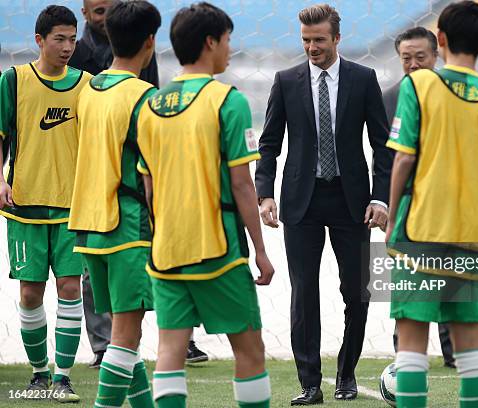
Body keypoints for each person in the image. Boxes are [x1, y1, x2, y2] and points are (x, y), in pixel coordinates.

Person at [136, 3, 274, 407]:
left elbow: (148, 187)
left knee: (169, 352)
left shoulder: (151, 106)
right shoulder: (227, 101)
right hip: (219, 251)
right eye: (228, 40)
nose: (230, 49)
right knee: (250, 352)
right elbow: (242, 184)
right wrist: (261, 251)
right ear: (210, 42)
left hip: (167, 252)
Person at [256, 3, 392, 404]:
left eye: (318, 40)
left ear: (337, 38)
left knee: (357, 291)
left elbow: (382, 145)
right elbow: (269, 143)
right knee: (304, 292)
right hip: (301, 201)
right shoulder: (285, 80)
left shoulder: (364, 79)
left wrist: (380, 198)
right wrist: (265, 193)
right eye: (305, 40)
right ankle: (310, 384)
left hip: (353, 202)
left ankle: (346, 375)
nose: (311, 47)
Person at [385, 1, 478, 407]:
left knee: (412, 340)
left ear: (439, 40)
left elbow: (403, 158)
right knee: (469, 343)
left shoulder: (418, 86)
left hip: (419, 231)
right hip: (470, 237)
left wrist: (390, 223)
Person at [68, 1, 160, 407]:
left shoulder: (89, 88)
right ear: (150, 42)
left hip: (89, 224)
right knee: (126, 336)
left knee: (126, 335)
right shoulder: (144, 96)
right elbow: (151, 174)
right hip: (128, 227)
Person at [0, 5, 92, 402]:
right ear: (39, 40)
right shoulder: (13, 80)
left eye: (73, 38)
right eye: (60, 38)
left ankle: (64, 377)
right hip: (25, 204)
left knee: (71, 288)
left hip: (74, 207)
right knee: (30, 294)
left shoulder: (88, 83)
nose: (68, 46)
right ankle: (39, 373)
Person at [382, 26, 455, 369]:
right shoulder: (390, 97)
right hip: (411, 205)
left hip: (452, 203)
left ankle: (452, 349)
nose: (412, 65)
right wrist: (386, 205)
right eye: (406, 58)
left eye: (420, 58)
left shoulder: (457, 94)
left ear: (436, 55)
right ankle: (406, 353)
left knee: (452, 278)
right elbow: (385, 159)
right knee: (409, 280)